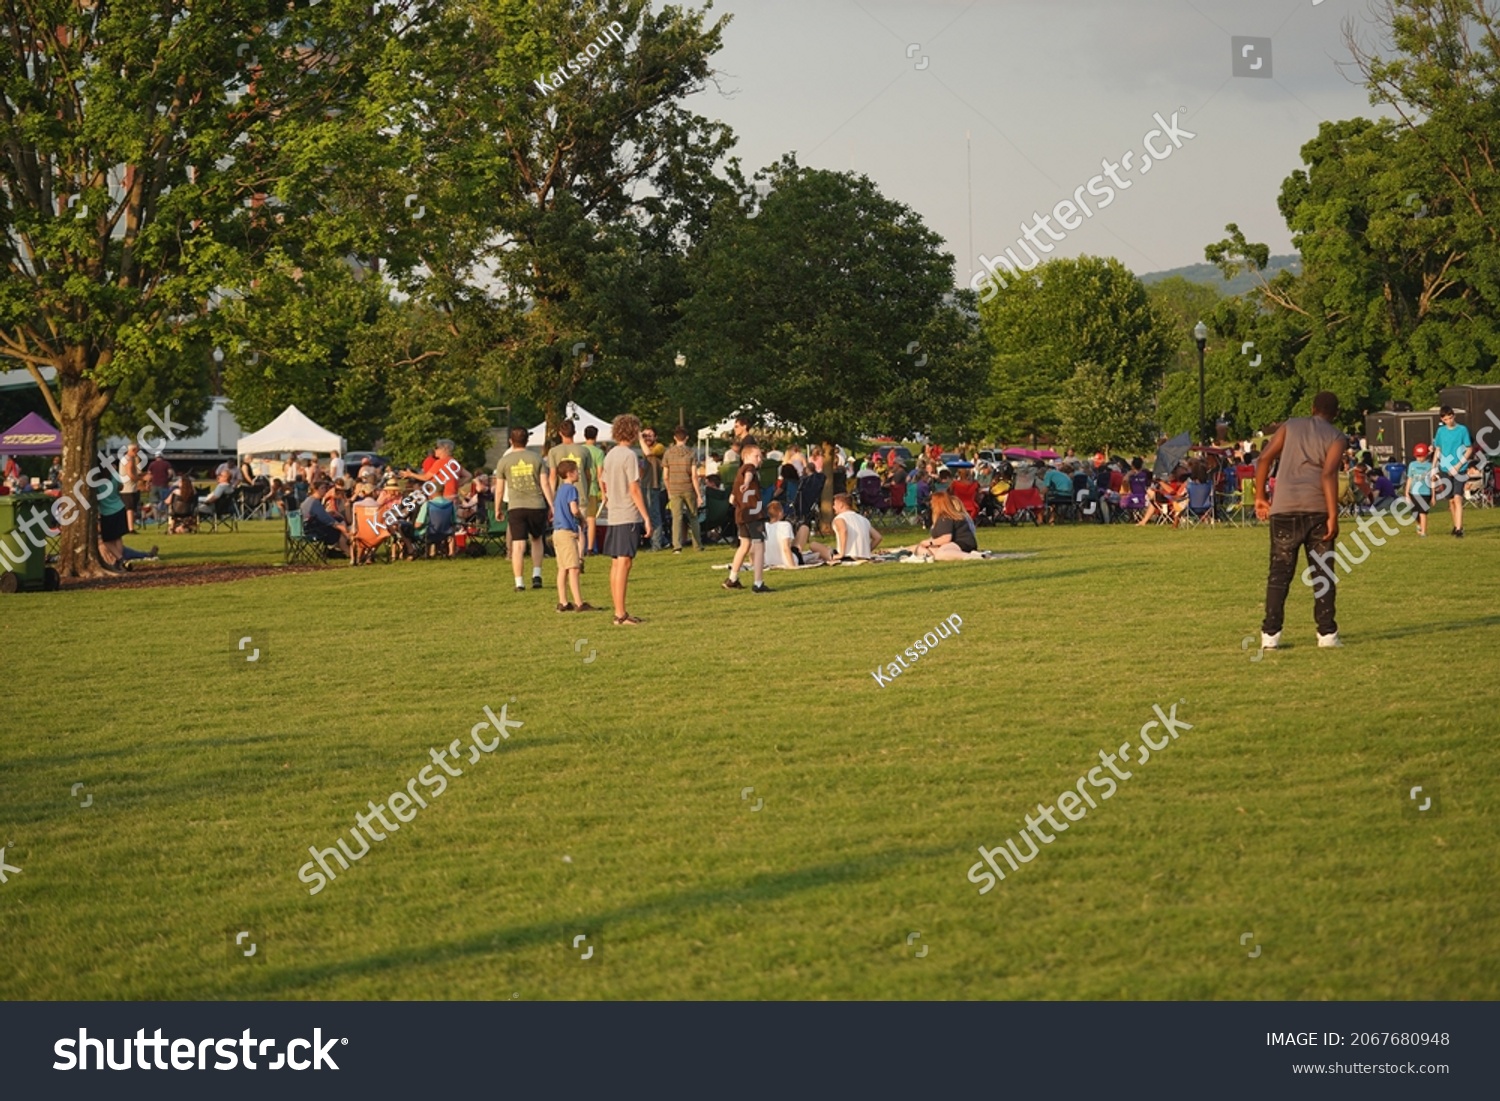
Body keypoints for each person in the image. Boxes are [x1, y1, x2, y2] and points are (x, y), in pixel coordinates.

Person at [1255, 390, 1346, 650]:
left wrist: (1261, 496)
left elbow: (1264, 458)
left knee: (1279, 573)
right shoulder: (1337, 437)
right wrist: (1333, 515)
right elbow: (1328, 475)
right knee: (1323, 574)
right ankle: (1327, 634)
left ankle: (1270, 635)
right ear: (1335, 413)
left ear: (1312, 407)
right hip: (1317, 509)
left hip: (1284, 509)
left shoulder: (1290, 426)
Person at [600, 414, 653, 625]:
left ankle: (619, 611)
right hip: (627, 514)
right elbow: (634, 488)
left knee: (616, 563)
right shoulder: (629, 455)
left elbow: (603, 483)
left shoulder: (610, 454)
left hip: (614, 513)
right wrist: (646, 517)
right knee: (624, 563)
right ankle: (620, 614)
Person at [493, 427, 552, 592]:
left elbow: (499, 489)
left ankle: (519, 582)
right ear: (527, 440)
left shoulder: (504, 461)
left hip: (516, 506)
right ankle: (537, 574)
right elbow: (545, 484)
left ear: (511, 441)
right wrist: (552, 505)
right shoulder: (537, 459)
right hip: (537, 505)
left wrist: (498, 508)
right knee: (537, 539)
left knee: (518, 545)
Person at [724, 442, 771, 593]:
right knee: (759, 547)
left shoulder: (737, 474)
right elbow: (749, 473)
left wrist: (742, 487)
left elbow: (731, 499)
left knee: (744, 545)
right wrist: (747, 483)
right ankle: (758, 583)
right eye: (756, 456)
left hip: (742, 515)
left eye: (760, 456)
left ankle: (732, 578)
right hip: (754, 514)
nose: (759, 459)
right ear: (746, 457)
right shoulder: (749, 469)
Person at [550, 460, 597, 612]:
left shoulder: (560, 489)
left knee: (562, 568)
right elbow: (574, 509)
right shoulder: (571, 489)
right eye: (576, 471)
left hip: (557, 532)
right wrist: (582, 520)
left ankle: (563, 602)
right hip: (566, 532)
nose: (578, 474)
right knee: (574, 568)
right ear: (570, 474)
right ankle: (579, 603)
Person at [1432, 405, 1474, 537]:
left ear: (1454, 416)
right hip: (1444, 468)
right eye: (1446, 419)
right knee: (1450, 500)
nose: (1449, 421)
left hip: (1459, 468)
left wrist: (1458, 465)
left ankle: (1459, 529)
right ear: (1442, 419)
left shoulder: (1462, 430)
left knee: (1458, 498)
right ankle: (1455, 524)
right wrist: (1433, 467)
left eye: (1451, 417)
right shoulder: (1440, 432)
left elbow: (1469, 449)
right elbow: (1438, 449)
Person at [905, 490, 981, 560]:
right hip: (950, 544)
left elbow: (946, 538)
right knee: (921, 549)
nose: (931, 504)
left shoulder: (946, 517)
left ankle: (972, 557)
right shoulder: (941, 518)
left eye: (932, 501)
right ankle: (927, 557)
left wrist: (930, 543)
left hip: (962, 543)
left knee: (941, 554)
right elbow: (937, 538)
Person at [662, 425, 703, 552]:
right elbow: (694, 476)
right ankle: (697, 545)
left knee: (676, 518)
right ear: (687, 438)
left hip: (674, 489)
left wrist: (669, 490)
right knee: (693, 517)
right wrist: (699, 495)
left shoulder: (668, 453)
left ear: (674, 438)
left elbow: (665, 476)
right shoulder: (691, 453)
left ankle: (677, 546)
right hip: (688, 488)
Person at [301, 481, 350, 557]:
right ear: (316, 490)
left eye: (325, 488)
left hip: (306, 528)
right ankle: (350, 553)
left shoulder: (308, 500)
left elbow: (319, 516)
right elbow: (326, 520)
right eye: (322, 488)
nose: (325, 490)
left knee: (338, 526)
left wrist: (329, 513)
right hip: (313, 531)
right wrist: (340, 527)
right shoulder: (315, 502)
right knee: (339, 532)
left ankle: (346, 553)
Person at [830, 492, 880, 560]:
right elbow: (878, 537)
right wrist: (866, 551)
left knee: (814, 545)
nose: (833, 507)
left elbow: (843, 531)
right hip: (864, 556)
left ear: (841, 505)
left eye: (834, 504)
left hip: (847, 556)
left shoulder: (839, 519)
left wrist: (841, 554)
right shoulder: (863, 519)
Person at [582, 424, 607, 555]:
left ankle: (579, 546)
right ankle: (590, 548)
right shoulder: (598, 453)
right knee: (591, 519)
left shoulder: (579, 450)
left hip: (580, 488)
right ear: (596, 436)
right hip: (592, 489)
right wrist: (603, 492)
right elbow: (600, 474)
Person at [1404, 442, 1435, 537]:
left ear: (1426, 455)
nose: (1420, 458)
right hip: (1414, 492)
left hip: (1426, 492)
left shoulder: (1430, 466)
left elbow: (1432, 481)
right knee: (1414, 513)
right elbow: (1410, 478)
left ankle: (1423, 532)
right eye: (1418, 456)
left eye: (1421, 456)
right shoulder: (1412, 465)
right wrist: (1406, 492)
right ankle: (1419, 524)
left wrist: (1433, 495)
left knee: (1423, 512)